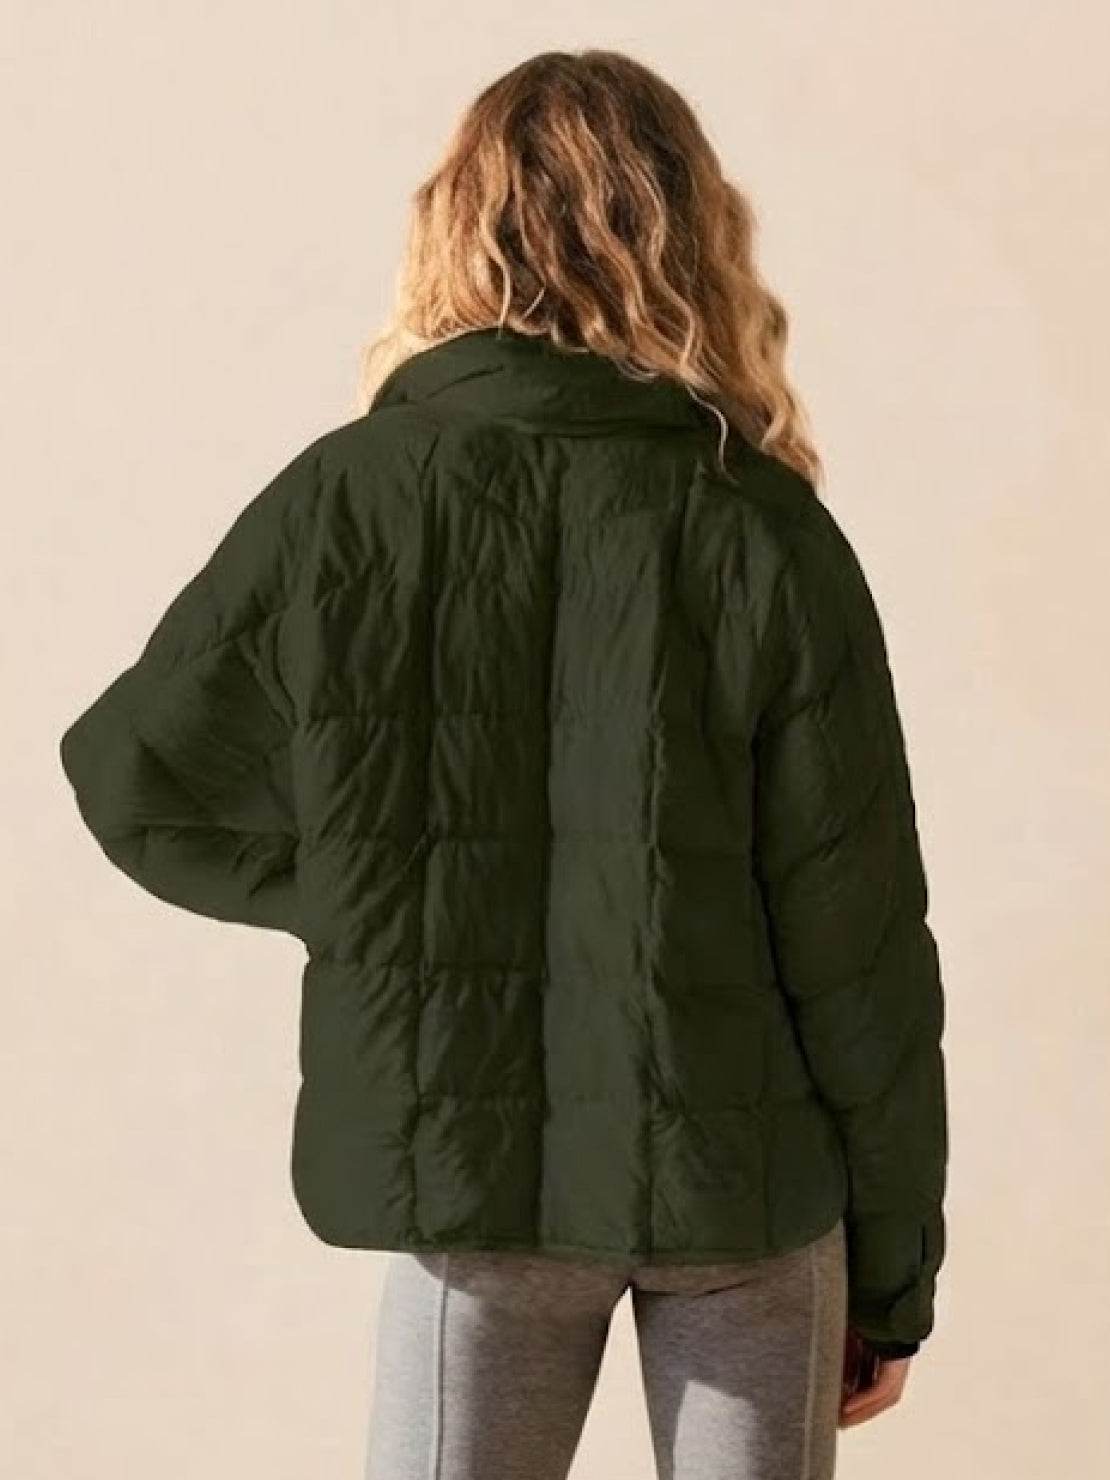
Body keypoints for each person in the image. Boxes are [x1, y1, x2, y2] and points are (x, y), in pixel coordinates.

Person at [58, 46, 949, 1480]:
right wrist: (895, 1272)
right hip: (743, 1182)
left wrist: (367, 897)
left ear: (459, 225)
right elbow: (863, 950)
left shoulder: (352, 497)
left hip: (470, 1189)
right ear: (694, 234)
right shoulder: (761, 525)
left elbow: (136, 775)